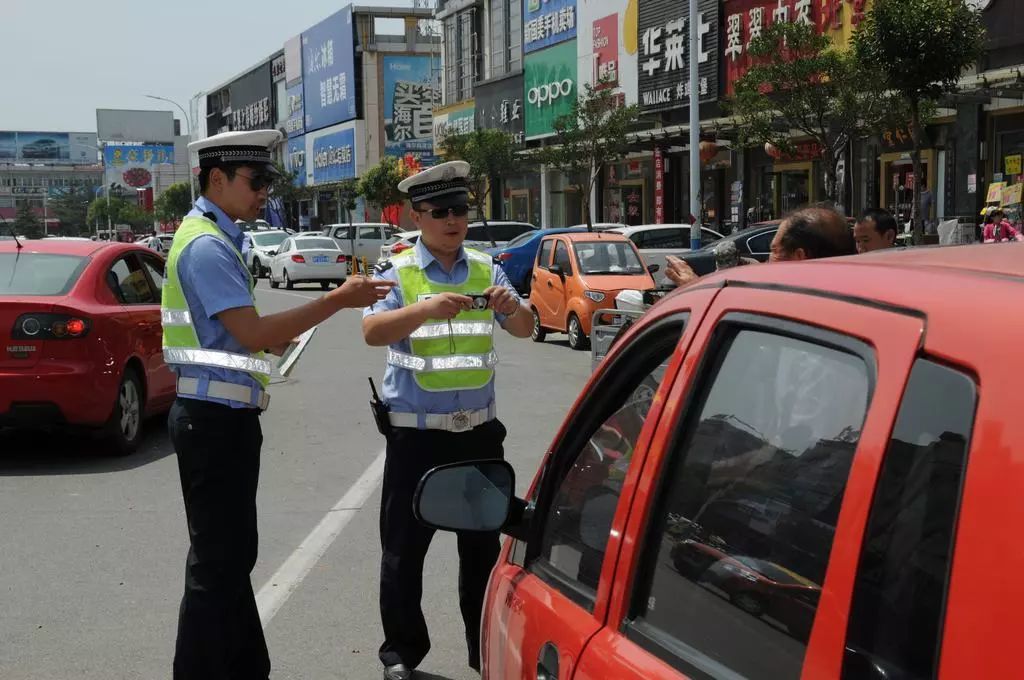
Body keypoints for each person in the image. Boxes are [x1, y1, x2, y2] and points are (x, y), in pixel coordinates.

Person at [162, 129, 395, 680]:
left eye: (267, 181)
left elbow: (237, 334)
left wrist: (275, 339)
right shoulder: (206, 245)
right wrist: (336, 300)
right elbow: (247, 330)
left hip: (224, 418)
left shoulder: (217, 236)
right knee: (218, 564)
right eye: (255, 181)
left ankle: (245, 669)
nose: (263, 192)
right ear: (215, 179)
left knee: (229, 559)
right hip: (212, 421)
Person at [362, 160, 534, 680]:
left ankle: (484, 654)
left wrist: (513, 306)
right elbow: (372, 331)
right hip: (416, 438)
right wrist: (423, 310)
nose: (454, 220)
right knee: (403, 553)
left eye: (461, 209)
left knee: (481, 552)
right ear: (417, 216)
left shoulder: (487, 268)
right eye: (441, 211)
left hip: (478, 435)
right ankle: (400, 655)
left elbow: (524, 328)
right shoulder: (396, 271)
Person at [664, 207, 856, 287]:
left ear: (799, 257)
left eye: (774, 252)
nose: (766, 261)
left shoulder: (789, 309)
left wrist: (693, 287)